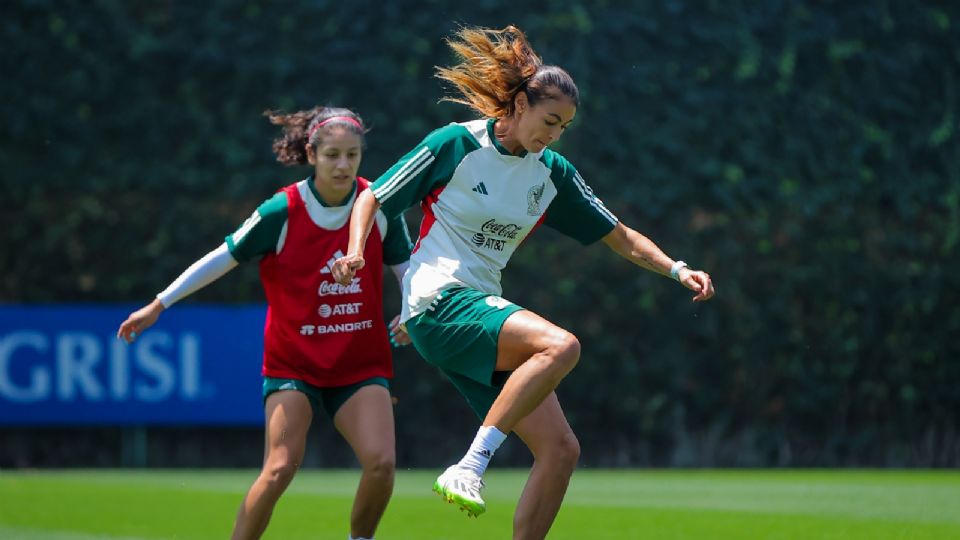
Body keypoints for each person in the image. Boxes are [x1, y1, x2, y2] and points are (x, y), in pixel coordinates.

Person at [330, 25, 716, 539]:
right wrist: (356, 251)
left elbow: (618, 235)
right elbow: (373, 197)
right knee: (561, 346)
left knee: (560, 451)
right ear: (517, 105)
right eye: (549, 120)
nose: (554, 135)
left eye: (564, 127)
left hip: (477, 309)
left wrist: (675, 267)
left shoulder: (551, 172)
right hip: (438, 301)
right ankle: (469, 465)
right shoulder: (455, 143)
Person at [117, 106, 413, 540]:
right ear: (311, 154)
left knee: (382, 463)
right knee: (278, 469)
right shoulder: (283, 209)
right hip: (294, 364)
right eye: (332, 155)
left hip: (359, 363)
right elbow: (224, 256)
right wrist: (160, 304)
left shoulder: (377, 204)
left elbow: (406, 269)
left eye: (352, 155)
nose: (344, 165)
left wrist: (412, 312)